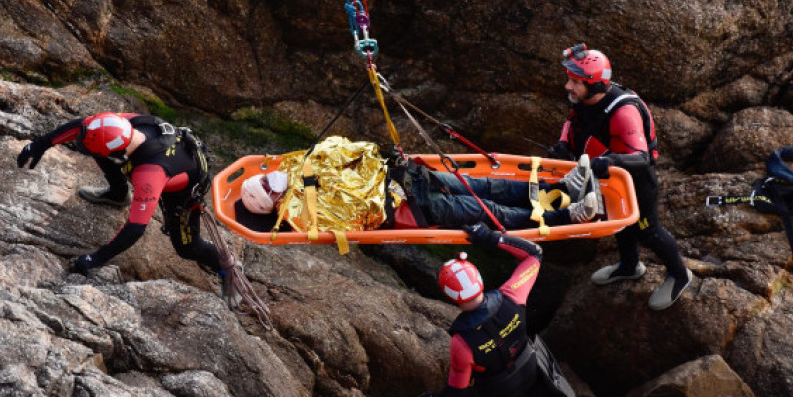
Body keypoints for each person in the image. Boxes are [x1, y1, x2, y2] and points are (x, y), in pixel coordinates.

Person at [416, 223, 598, 397]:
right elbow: (534, 253)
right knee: (555, 390)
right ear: (479, 279)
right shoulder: (513, 294)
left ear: (448, 295)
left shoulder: (461, 343)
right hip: (530, 367)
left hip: (493, 390)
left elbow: (456, 393)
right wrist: (490, 237)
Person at [549, 43, 692, 310]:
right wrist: (563, 144)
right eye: (569, 80)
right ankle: (629, 265)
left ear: (595, 85)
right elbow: (572, 123)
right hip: (608, 177)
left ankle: (680, 275)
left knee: (648, 231)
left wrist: (611, 161)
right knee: (619, 221)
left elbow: (642, 157)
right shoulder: (582, 100)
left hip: (636, 180)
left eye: (575, 82)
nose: (568, 87)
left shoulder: (623, 112)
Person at [16, 111, 222, 280]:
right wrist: (40, 144)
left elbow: (135, 228)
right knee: (97, 146)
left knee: (187, 247)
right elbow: (84, 127)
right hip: (170, 157)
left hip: (182, 189)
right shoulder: (123, 125)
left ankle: (226, 268)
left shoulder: (148, 174)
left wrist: (95, 259)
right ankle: (119, 193)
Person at [238, 154, 603, 233]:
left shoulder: (302, 170)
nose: (275, 180)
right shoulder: (302, 215)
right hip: (412, 208)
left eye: (268, 177)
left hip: (412, 180)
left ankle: (563, 190)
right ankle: (569, 215)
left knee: (490, 186)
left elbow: (352, 154)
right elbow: (358, 215)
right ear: (271, 203)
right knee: (492, 212)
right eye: (269, 187)